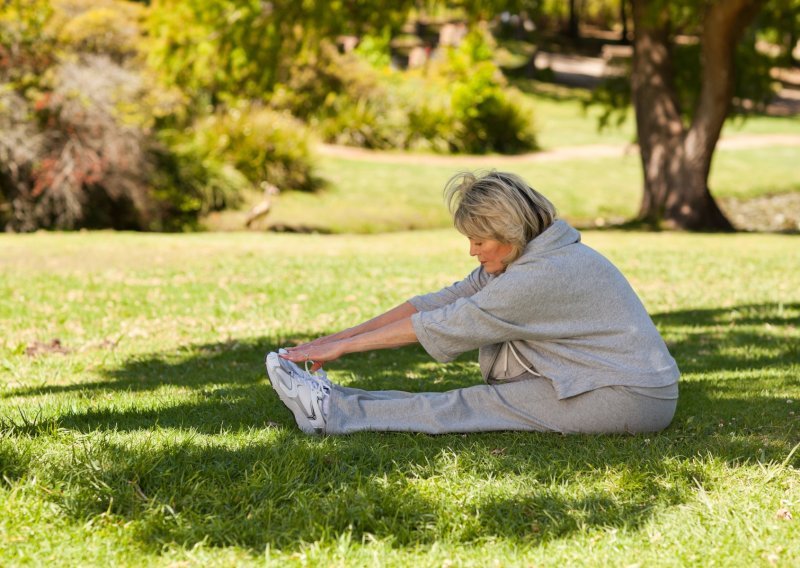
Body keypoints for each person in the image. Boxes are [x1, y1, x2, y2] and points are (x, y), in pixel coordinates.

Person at [265, 170, 680, 436]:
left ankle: (329, 413)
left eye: (478, 241)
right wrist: (341, 336)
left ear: (508, 232)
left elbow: (452, 321)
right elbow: (444, 300)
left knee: (469, 405)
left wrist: (344, 348)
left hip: (629, 397)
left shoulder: (543, 274)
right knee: (467, 400)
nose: (472, 252)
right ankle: (333, 399)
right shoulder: (532, 253)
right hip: (597, 377)